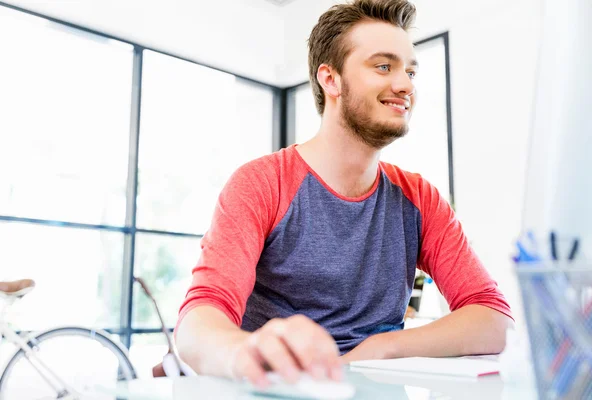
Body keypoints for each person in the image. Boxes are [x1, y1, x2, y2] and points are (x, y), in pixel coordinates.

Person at [175, 0, 514, 389]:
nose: (405, 84)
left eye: (410, 70)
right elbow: (198, 322)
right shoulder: (261, 183)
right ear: (330, 79)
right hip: (278, 390)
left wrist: (383, 346)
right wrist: (241, 353)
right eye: (384, 66)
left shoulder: (421, 199)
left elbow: (493, 317)